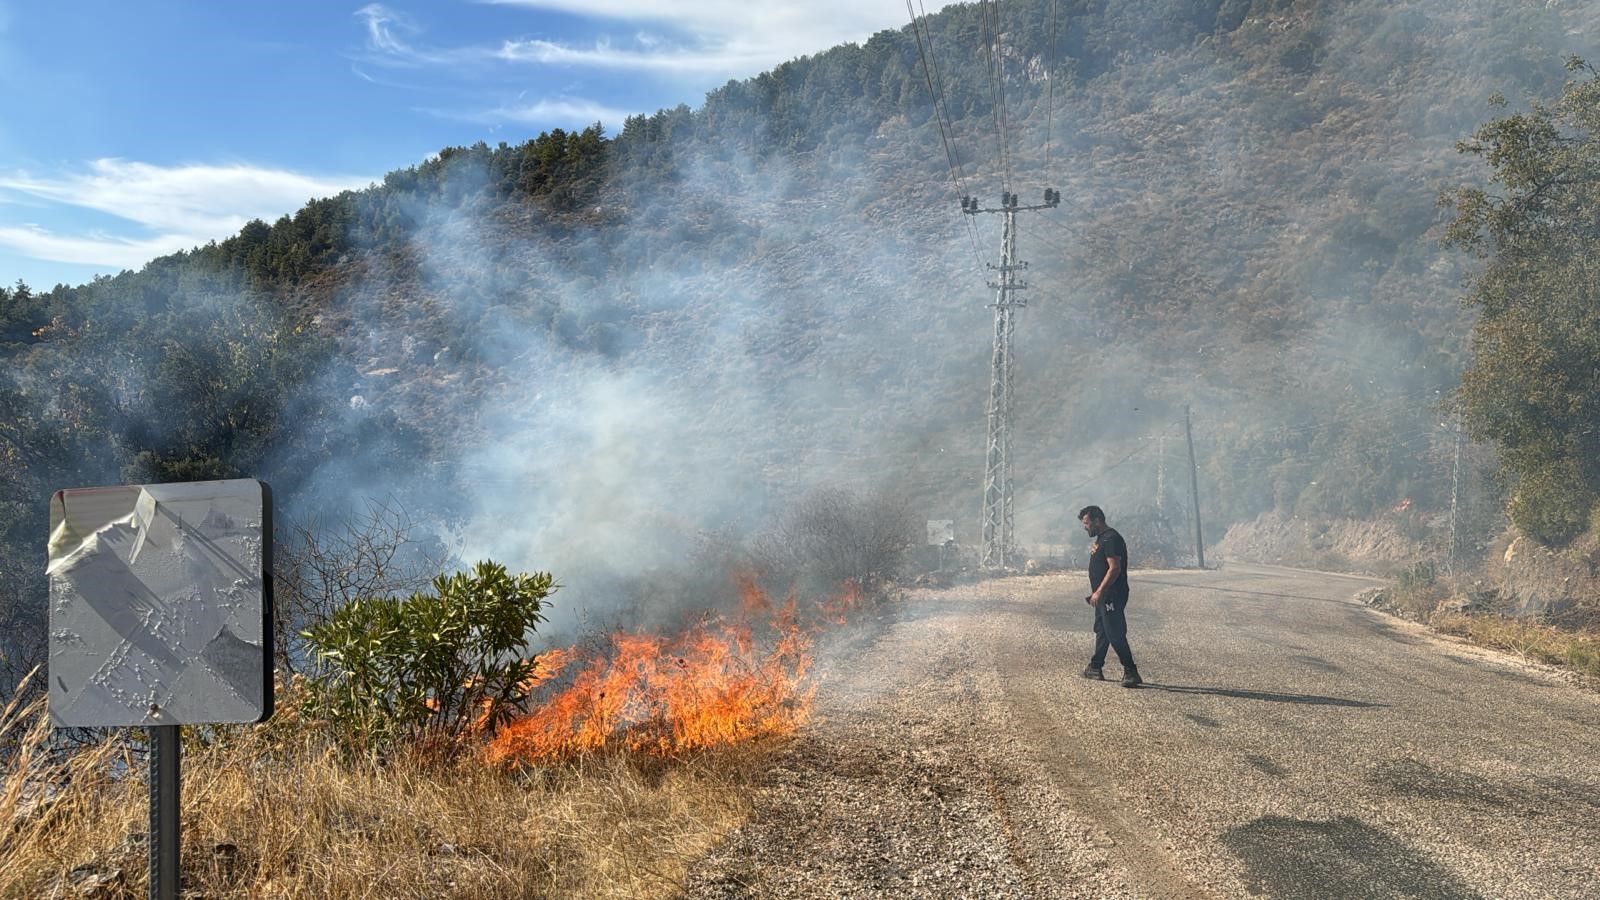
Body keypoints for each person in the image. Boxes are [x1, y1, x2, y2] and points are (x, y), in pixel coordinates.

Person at [1078, 505, 1142, 688]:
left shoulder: (1112, 538)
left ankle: (1131, 671)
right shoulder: (1102, 539)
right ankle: (1095, 667)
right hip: (1102, 596)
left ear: (1097, 521)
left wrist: (1099, 592)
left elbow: (1115, 568)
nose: (1085, 527)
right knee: (1102, 630)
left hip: (1111, 595)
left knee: (1114, 632)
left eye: (1087, 523)